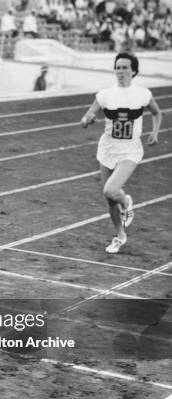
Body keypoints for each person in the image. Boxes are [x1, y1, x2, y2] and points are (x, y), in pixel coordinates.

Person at [80, 52, 161, 254]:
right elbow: (87, 115)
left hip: (130, 149)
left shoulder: (143, 94)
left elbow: (157, 112)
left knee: (110, 190)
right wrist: (87, 120)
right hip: (107, 148)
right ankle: (120, 236)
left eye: (125, 67)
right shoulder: (105, 94)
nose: (121, 71)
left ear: (134, 71)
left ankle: (126, 202)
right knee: (109, 199)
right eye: (118, 67)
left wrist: (155, 131)